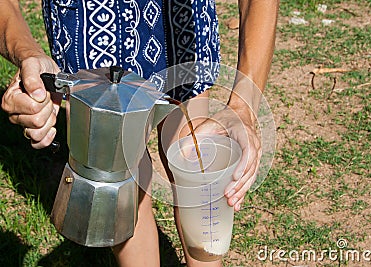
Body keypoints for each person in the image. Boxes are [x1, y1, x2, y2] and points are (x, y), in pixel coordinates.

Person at [0, 0, 279, 266]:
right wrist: (27, 53)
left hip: (179, 15)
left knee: (196, 161)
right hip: (91, 17)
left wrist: (243, 107)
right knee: (120, 181)